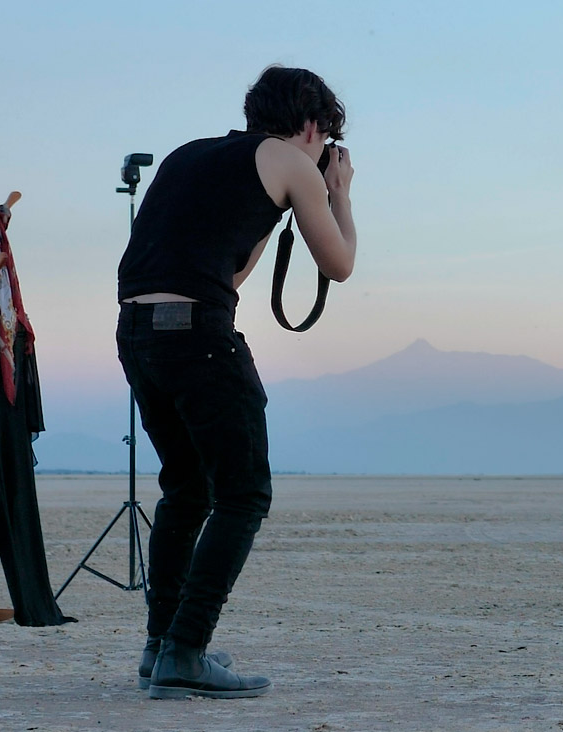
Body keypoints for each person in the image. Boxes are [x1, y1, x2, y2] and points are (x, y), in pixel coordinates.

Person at [115, 66, 357, 699]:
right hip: (199, 337)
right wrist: (337, 192)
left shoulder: (189, 155)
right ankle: (186, 651)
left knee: (186, 487)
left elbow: (231, 273)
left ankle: (160, 647)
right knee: (243, 494)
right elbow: (339, 264)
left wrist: (271, 215)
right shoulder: (293, 161)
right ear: (313, 125)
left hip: (137, 332)